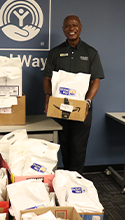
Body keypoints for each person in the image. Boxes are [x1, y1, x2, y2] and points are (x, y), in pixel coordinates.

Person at [43, 15, 104, 174]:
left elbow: (95, 81)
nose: (71, 29)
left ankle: (76, 179)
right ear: (63, 29)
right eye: (67, 26)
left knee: (78, 147)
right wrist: (48, 99)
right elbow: (47, 79)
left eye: (75, 25)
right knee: (63, 145)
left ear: (80, 27)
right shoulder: (55, 53)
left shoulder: (91, 53)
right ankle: (64, 179)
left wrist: (87, 102)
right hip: (60, 108)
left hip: (81, 109)